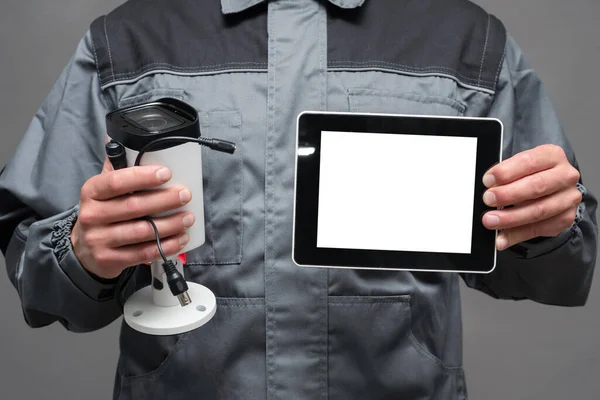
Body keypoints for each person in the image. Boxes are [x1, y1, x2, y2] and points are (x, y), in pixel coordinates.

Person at [1, 0, 597, 399]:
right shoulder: (128, 40)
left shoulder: (465, 40)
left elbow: (566, 265)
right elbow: (32, 251)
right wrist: (80, 252)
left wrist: (546, 225)